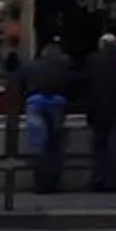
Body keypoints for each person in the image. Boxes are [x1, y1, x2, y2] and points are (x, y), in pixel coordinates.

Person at [20, 36, 78, 195]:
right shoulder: (65, 65)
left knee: (39, 145)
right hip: (57, 102)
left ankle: (40, 183)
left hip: (35, 102)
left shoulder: (31, 66)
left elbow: (19, 83)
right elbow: (73, 84)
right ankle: (54, 182)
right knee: (55, 144)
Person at [83, 30, 116, 194]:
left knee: (99, 147)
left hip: (98, 109)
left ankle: (98, 179)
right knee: (115, 148)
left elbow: (86, 84)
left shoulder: (91, 60)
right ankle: (112, 181)